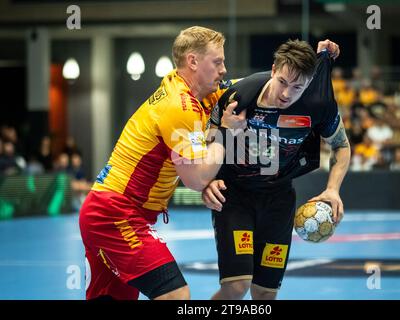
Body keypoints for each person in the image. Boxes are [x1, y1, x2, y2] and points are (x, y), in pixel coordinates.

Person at [78, 26, 246, 300]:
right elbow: (195, 179)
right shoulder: (178, 106)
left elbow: (251, 86)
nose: (224, 69)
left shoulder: (195, 92)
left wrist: (309, 63)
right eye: (218, 62)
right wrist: (226, 133)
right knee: (175, 295)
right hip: (115, 213)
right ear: (192, 61)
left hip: (110, 211)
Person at [202, 39, 351, 300]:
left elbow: (341, 146)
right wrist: (209, 178)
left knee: (265, 294)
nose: (286, 93)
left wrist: (332, 189)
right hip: (235, 195)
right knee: (237, 286)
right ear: (273, 70)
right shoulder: (241, 96)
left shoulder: (318, 104)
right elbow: (206, 138)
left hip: (279, 200)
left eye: (297, 87)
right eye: (282, 81)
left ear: (308, 84)